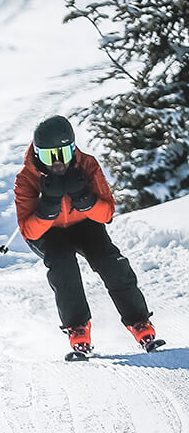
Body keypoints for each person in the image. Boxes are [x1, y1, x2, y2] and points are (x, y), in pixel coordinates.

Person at [14, 115, 163, 357]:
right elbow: (29, 231)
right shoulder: (26, 179)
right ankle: (78, 329)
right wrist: (48, 207)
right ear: (37, 154)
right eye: (49, 156)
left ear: (73, 148)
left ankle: (140, 323)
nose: (58, 163)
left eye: (64, 153)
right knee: (63, 267)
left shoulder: (87, 165)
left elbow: (106, 214)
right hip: (49, 233)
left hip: (84, 224)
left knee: (110, 262)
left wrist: (86, 200)